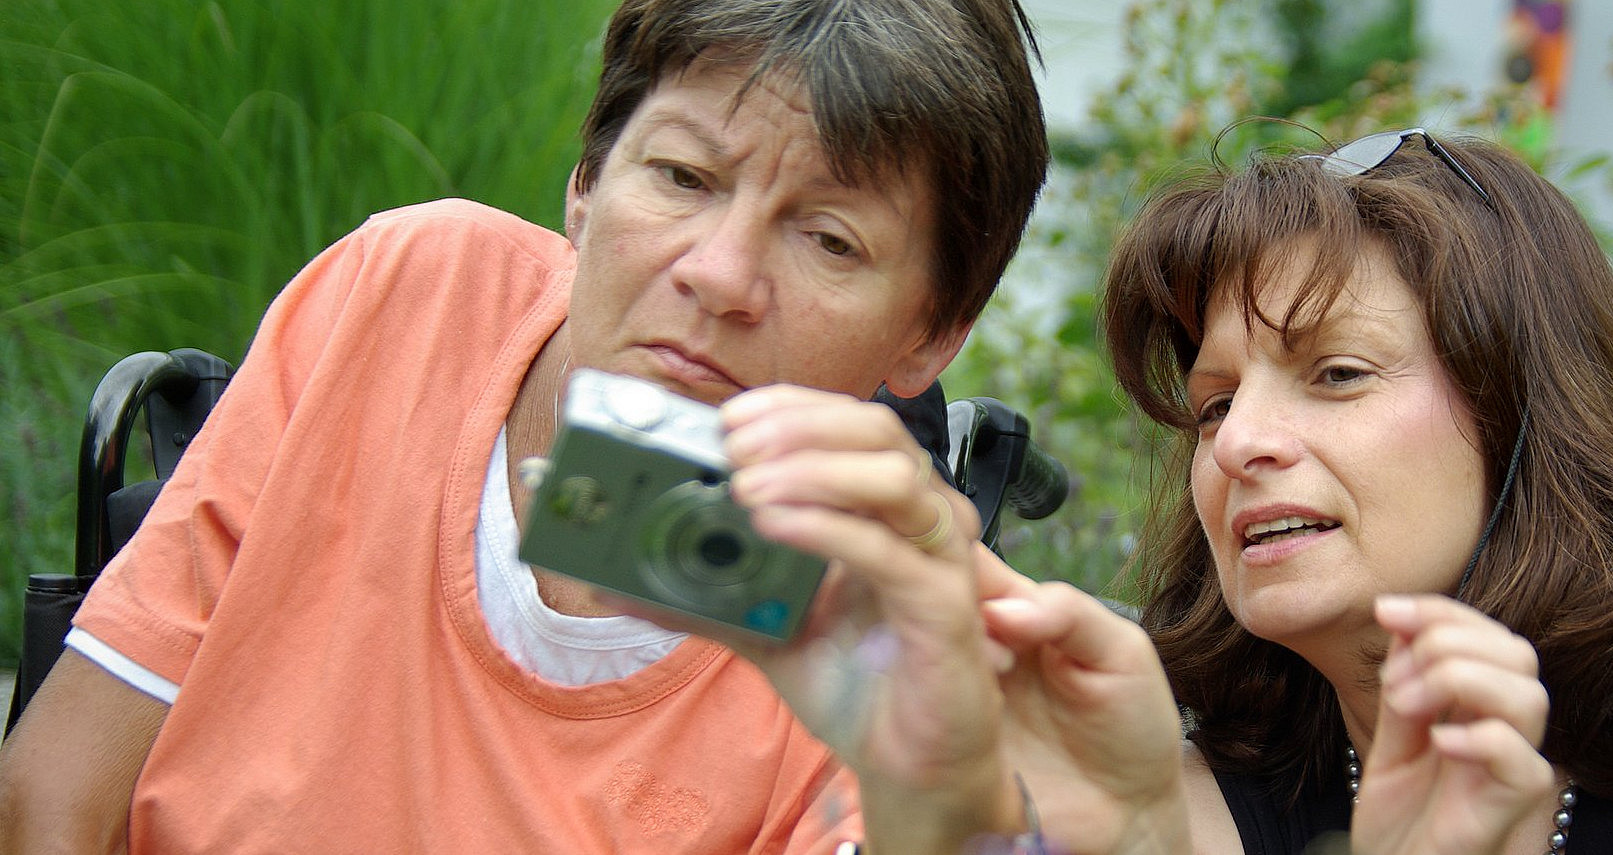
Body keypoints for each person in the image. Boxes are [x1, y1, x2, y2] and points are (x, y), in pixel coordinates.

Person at [0, 0, 1048, 850]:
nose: (720, 274)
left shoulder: (873, 639)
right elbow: (53, 796)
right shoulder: (410, 296)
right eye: (682, 177)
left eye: (828, 238)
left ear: (933, 334)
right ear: (586, 187)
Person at [1081, 128, 1613, 853]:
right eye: (1214, 403)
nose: (1236, 443)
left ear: (1527, 417)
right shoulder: (1180, 810)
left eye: (1337, 372)